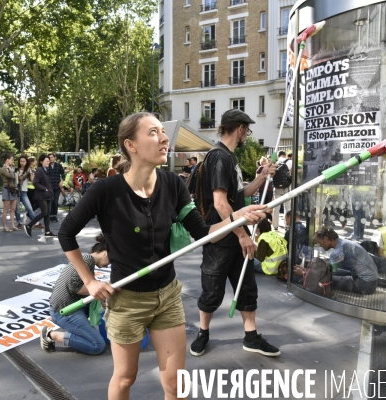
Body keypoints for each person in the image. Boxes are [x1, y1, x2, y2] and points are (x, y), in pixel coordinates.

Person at [57, 112, 265, 399]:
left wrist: (237, 218)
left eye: (162, 132)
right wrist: (90, 282)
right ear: (131, 145)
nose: (164, 138)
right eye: (153, 132)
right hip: (126, 300)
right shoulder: (106, 190)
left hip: (167, 297)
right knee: (125, 377)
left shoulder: (173, 184)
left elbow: (204, 233)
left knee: (176, 385)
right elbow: (65, 233)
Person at [191, 109, 280, 359]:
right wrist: (242, 235)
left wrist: (262, 177)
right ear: (239, 129)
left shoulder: (230, 158)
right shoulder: (220, 158)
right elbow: (220, 204)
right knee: (212, 290)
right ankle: (203, 334)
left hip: (236, 235)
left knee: (247, 288)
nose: (247, 136)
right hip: (221, 238)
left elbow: (241, 194)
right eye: (247, 131)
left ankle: (251, 337)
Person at [41, 234, 110, 355]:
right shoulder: (87, 259)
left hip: (69, 307)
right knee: (97, 346)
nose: (108, 265)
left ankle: (77, 331)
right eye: (111, 260)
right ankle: (51, 335)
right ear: (106, 253)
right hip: (65, 311)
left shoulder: (87, 260)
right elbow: (75, 286)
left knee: (93, 336)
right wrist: (101, 288)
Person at [314, 226, 378, 295]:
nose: (320, 246)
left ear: (326, 239)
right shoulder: (344, 243)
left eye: (320, 242)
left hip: (364, 285)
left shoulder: (336, 253)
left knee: (324, 279)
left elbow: (331, 272)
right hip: (373, 282)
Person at [24, 154, 56, 238]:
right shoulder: (39, 170)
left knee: (47, 213)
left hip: (48, 195)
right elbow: (35, 183)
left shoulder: (47, 170)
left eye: (49, 161)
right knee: (44, 212)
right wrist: (44, 188)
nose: (48, 162)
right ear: (41, 162)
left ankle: (47, 231)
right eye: (46, 161)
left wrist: (49, 191)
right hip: (41, 195)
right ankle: (29, 225)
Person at [15, 155, 36, 227]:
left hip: (24, 191)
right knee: (17, 209)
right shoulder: (16, 170)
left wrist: (32, 174)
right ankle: (19, 222)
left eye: (24, 161)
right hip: (16, 191)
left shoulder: (28, 170)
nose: (22, 163)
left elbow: (32, 180)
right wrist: (18, 178)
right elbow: (14, 181)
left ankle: (35, 222)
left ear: (26, 162)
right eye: (21, 161)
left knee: (29, 208)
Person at [272, 150, 292, 229]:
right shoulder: (290, 162)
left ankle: (275, 225)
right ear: (284, 155)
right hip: (286, 187)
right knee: (287, 207)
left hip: (277, 187)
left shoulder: (275, 163)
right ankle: (287, 225)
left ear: (278, 155)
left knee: (276, 207)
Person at [0, 153, 19, 232]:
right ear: (7, 159)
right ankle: (4, 226)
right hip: (6, 189)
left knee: (13, 208)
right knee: (6, 209)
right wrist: (11, 171)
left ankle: (12, 225)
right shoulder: (3, 169)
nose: (12, 161)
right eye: (11, 159)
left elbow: (15, 178)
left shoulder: (11, 168)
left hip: (13, 189)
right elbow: (11, 176)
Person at [47, 152, 65, 222]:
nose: (51, 159)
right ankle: (50, 216)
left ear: (54, 158)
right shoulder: (47, 165)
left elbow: (63, 174)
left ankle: (55, 216)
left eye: (52, 157)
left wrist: (62, 181)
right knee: (50, 202)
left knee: (56, 202)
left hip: (57, 186)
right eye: (49, 157)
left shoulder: (59, 165)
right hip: (49, 187)